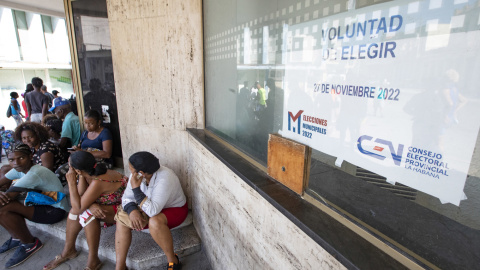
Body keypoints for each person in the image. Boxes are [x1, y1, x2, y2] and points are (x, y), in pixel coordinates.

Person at [43, 151, 128, 270]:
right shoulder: (88, 173)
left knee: (85, 213)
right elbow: (81, 196)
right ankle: (69, 250)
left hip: (122, 211)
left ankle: (93, 260)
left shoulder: (98, 181)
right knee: (77, 211)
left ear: (77, 170)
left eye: (70, 166)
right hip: (108, 206)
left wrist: (71, 183)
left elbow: (78, 207)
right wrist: (89, 203)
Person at [115, 152, 187, 270]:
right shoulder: (137, 175)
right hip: (148, 207)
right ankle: (120, 266)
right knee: (122, 220)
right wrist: (132, 211)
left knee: (154, 221)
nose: (130, 172)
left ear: (141, 173)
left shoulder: (165, 177)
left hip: (175, 209)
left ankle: (173, 260)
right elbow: (127, 198)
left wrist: (136, 189)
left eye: (132, 170)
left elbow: (153, 211)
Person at [0, 144, 69, 268]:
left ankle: (30, 244)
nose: (16, 163)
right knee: (5, 206)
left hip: (54, 211)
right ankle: (16, 238)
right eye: (11, 160)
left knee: (4, 206)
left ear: (30, 156)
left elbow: (7, 197)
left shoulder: (35, 173)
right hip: (40, 202)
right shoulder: (18, 169)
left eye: (21, 158)